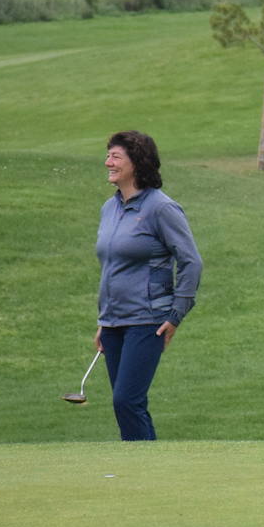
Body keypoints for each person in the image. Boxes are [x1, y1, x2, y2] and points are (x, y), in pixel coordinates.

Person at [95, 130, 203, 441]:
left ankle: (146, 468)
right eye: (108, 155)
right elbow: (113, 266)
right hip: (114, 321)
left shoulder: (161, 208)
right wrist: (104, 320)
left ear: (137, 163)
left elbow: (191, 261)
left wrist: (175, 314)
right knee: (125, 405)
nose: (108, 162)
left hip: (148, 320)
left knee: (127, 400)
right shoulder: (109, 208)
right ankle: (139, 468)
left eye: (116, 157)